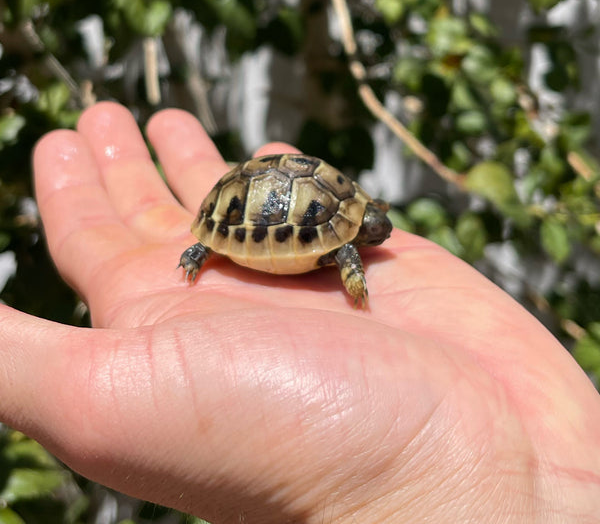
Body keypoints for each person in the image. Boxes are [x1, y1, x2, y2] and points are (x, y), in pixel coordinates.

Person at [1, 102, 599, 524]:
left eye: (371, 224)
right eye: (371, 228)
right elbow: (348, 250)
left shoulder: (353, 221)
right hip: (236, 215)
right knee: (253, 223)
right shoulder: (343, 245)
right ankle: (205, 244)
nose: (378, 231)